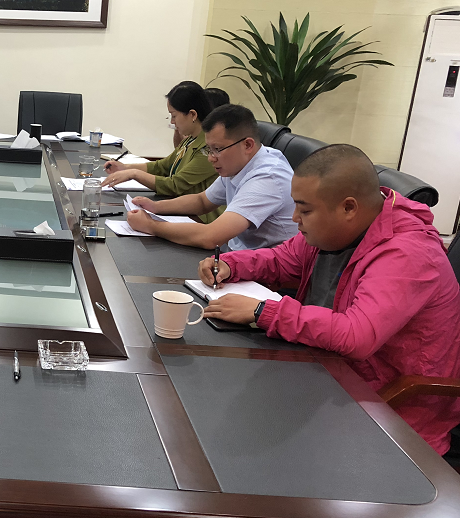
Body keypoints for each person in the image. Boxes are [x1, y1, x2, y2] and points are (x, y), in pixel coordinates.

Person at [198, 144, 460, 455]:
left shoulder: (408, 254)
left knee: (239, 440)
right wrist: (231, 264)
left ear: (349, 208)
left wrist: (262, 311)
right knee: (217, 405)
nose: (295, 217)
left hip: (391, 412)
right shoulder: (337, 231)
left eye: (305, 210)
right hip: (327, 374)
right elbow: (283, 259)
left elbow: (356, 336)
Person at [125, 104, 297, 250]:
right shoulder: (238, 163)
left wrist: (150, 225)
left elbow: (210, 237)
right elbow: (202, 201)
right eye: (209, 149)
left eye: (217, 149)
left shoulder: (268, 177)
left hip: (269, 272)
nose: (211, 158)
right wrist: (155, 207)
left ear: (247, 145)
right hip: (240, 256)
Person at [103, 81, 222, 223]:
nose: (172, 122)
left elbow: (175, 185)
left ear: (192, 114)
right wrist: (125, 168)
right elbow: (162, 166)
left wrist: (134, 174)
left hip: (200, 218)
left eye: (174, 115)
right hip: (178, 208)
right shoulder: (191, 139)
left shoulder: (208, 148)